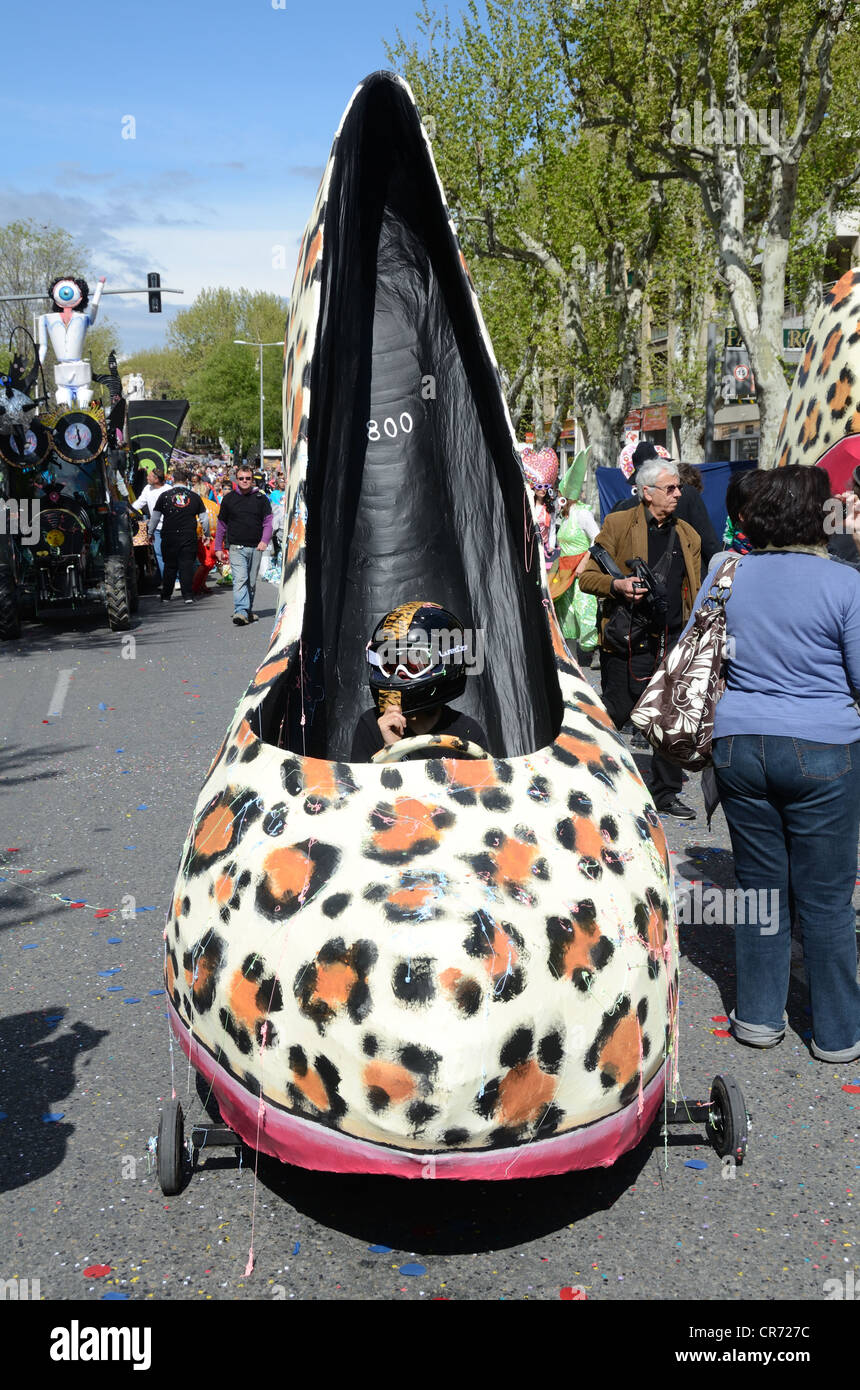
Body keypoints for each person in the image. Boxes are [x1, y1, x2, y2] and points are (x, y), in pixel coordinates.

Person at [686, 465, 860, 1063]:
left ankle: (759, 1017)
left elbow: (697, 654)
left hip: (738, 744)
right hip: (823, 746)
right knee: (826, 899)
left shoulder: (724, 572)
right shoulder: (845, 583)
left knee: (759, 888)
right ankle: (837, 1033)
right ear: (817, 518)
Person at [578, 457, 701, 818]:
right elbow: (586, 578)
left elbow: (693, 589)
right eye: (670, 488)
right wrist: (617, 584)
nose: (678, 494)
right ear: (647, 493)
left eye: (679, 487)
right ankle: (590, 777)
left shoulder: (688, 535)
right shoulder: (618, 524)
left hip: (671, 639)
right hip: (628, 641)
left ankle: (665, 793)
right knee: (616, 711)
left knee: (668, 718)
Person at [351, 601, 487, 760]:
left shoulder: (467, 732)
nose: (399, 674)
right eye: (390, 663)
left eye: (413, 663)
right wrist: (390, 749)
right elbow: (359, 777)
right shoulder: (373, 725)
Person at [611, 441, 719, 575]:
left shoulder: (622, 508)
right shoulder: (688, 495)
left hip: (663, 579)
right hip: (668, 580)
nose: (677, 494)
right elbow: (709, 543)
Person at [553, 449, 599, 665]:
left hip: (581, 573)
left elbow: (598, 538)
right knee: (566, 612)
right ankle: (570, 658)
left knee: (584, 611)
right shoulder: (563, 517)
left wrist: (584, 562)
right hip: (565, 574)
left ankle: (588, 655)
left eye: (559, 494)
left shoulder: (582, 513)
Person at [215, 464, 273, 625]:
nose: (245, 481)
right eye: (241, 478)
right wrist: (218, 547)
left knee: (251, 582)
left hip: (256, 547)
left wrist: (264, 540)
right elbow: (221, 524)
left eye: (248, 478)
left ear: (252, 479)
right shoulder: (229, 499)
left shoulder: (261, 498)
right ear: (236, 479)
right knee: (240, 579)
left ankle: (247, 611)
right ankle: (240, 611)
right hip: (236, 547)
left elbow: (268, 522)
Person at [148, 465, 206, 605]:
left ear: (173, 480)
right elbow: (204, 519)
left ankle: (166, 596)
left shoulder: (164, 496)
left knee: (170, 565)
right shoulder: (194, 497)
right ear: (186, 481)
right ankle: (187, 596)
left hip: (169, 535)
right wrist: (207, 533)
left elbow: (155, 517)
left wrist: (150, 532)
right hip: (188, 535)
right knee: (186, 565)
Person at [135, 468, 169, 576]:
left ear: (156, 479)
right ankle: (165, 578)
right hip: (156, 528)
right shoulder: (147, 489)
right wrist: (127, 510)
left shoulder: (168, 489)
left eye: (149, 476)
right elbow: (139, 503)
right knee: (159, 554)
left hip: (169, 527)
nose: (147, 478)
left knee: (170, 553)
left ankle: (176, 578)